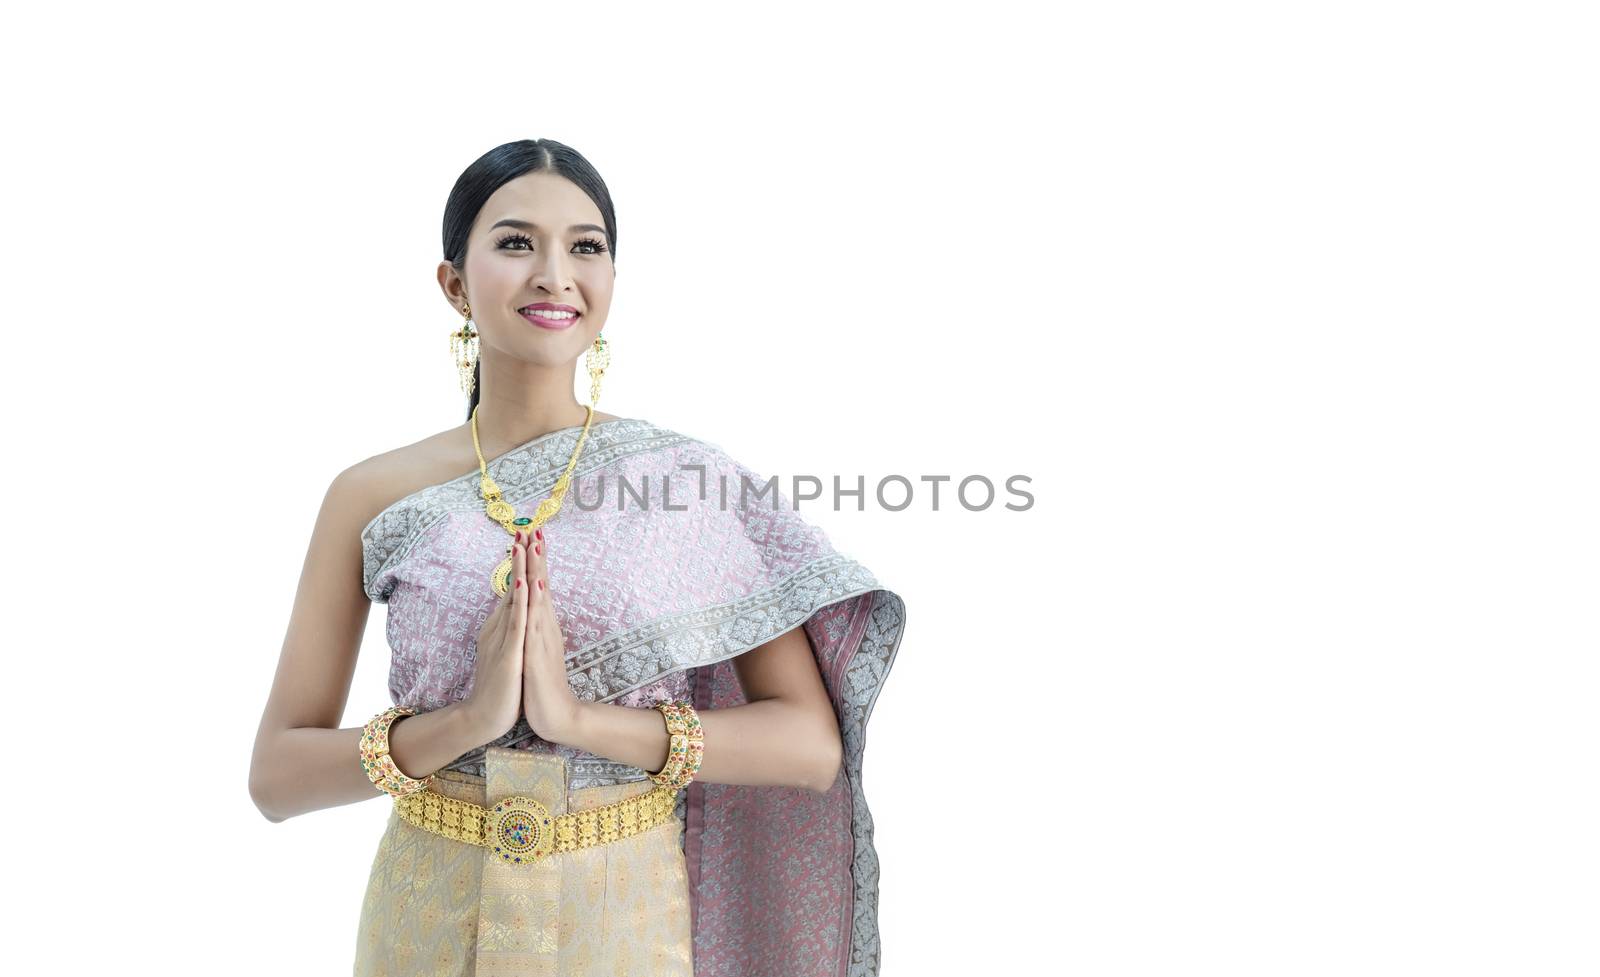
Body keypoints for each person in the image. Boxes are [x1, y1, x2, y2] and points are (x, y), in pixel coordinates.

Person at [247, 138, 907, 977]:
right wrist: (461, 723)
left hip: (625, 922)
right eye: (517, 242)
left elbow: (809, 744)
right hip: (428, 921)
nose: (555, 273)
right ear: (454, 284)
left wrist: (581, 722)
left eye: (585, 247)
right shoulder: (370, 492)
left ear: (611, 282)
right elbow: (277, 775)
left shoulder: (685, 482)